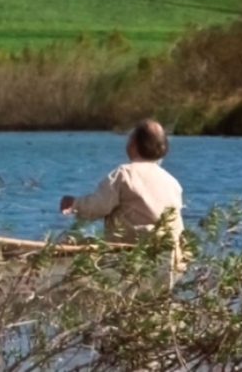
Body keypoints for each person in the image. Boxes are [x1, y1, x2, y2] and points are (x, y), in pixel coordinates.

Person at [60, 119, 185, 277]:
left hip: (131, 255)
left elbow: (99, 206)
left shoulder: (124, 174)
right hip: (170, 257)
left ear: (133, 145)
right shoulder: (172, 182)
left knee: (73, 243)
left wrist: (74, 204)